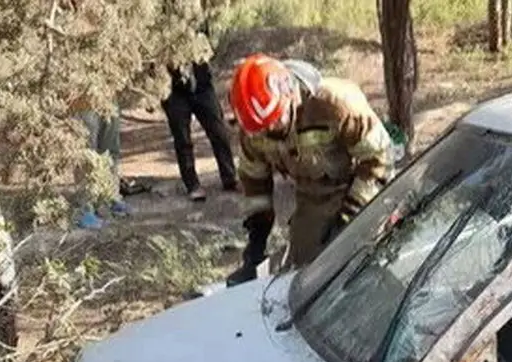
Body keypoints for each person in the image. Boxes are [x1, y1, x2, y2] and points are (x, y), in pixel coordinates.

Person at [224, 54, 394, 286]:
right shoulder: (255, 127)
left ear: (291, 96)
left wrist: (348, 224)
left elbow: (379, 159)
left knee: (365, 264)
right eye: (262, 129)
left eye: (276, 121)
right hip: (313, 196)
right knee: (307, 275)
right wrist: (256, 240)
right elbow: (254, 182)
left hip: (363, 187)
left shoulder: (336, 104)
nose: (270, 131)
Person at [163, 59, 239, 202]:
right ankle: (192, 185)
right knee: (182, 139)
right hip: (174, 91)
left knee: (218, 131)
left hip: (202, 86)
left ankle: (229, 177)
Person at [68, 96, 131, 229]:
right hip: (83, 97)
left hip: (108, 94)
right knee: (86, 154)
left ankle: (109, 198)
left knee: (110, 150)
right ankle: (85, 208)